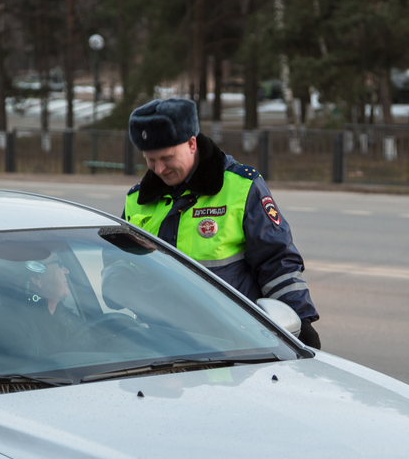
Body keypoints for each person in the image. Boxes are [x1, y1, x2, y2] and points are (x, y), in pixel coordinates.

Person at [116, 97, 321, 349]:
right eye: (150, 160)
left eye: (167, 158)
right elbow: (120, 266)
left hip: (233, 346)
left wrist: (299, 319)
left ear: (192, 143)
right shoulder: (136, 200)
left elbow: (276, 261)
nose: (158, 169)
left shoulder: (242, 187)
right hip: (161, 347)